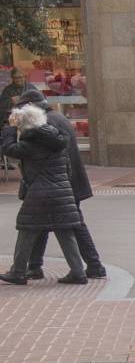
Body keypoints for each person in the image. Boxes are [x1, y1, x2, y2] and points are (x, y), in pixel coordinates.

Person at [17, 89, 105, 280]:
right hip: (66, 182)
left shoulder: (44, 123)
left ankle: (93, 265)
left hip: (59, 183)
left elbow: (31, 153)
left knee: (71, 226)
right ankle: (35, 266)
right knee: (44, 224)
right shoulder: (58, 118)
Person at [0, 104, 87, 285]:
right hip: (62, 191)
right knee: (65, 231)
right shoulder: (58, 140)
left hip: (39, 193)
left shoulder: (31, 143)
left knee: (27, 230)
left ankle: (18, 271)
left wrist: (10, 128)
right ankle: (78, 272)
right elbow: (68, 170)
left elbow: (8, 149)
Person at [1, 69, 38, 170]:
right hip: (13, 119)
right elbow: (2, 106)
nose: (19, 80)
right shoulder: (7, 90)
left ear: (24, 77)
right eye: (16, 78)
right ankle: (7, 159)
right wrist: (10, 101)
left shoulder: (31, 88)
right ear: (12, 79)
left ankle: (31, 159)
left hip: (30, 118)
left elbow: (40, 100)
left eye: (20, 77)